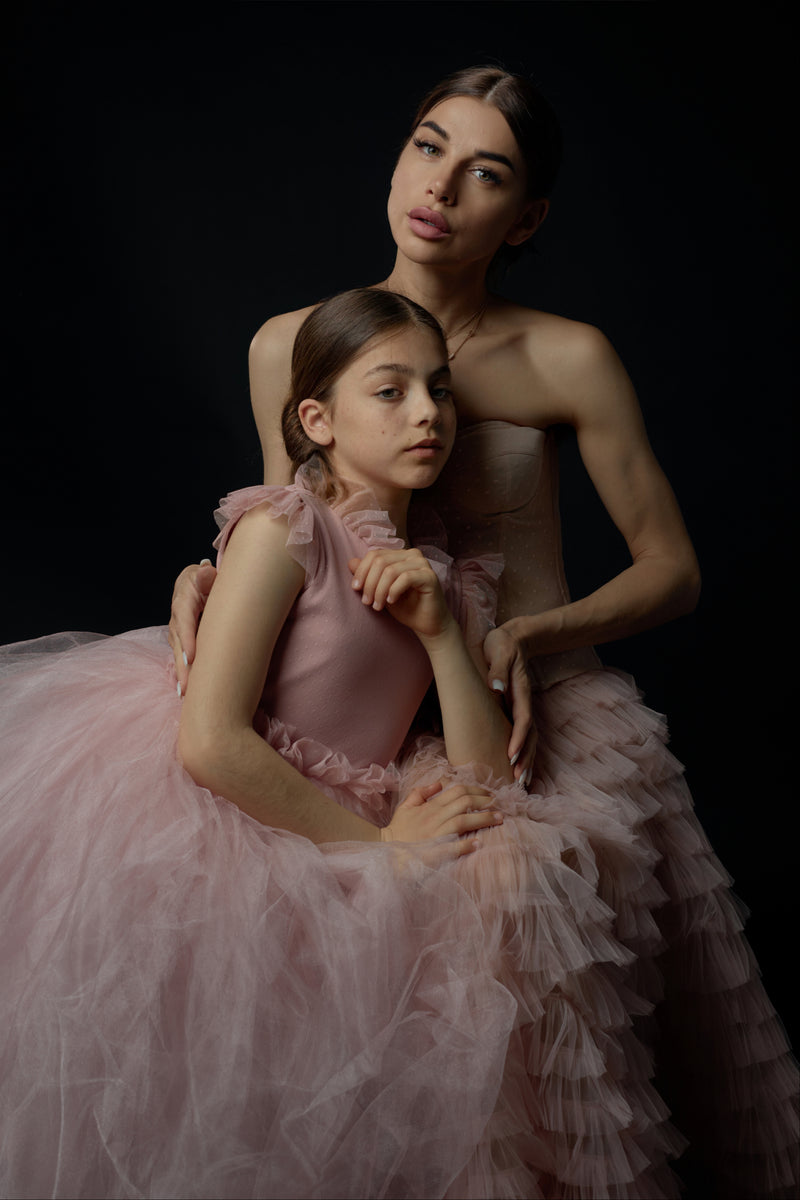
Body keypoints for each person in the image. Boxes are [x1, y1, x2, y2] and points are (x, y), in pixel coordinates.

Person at [168, 66, 799, 1198]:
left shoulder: (566, 356)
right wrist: (200, 578)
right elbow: (295, 520)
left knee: (512, 895)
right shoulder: (290, 343)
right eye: (425, 148)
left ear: (528, 216)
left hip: (525, 704)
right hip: (373, 708)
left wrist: (524, 634)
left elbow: (672, 568)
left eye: (486, 173)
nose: (441, 189)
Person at [1, 286, 691, 1200]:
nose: (428, 415)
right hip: (238, 810)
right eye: (391, 391)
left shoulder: (451, 577)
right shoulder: (287, 530)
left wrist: (444, 629)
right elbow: (209, 741)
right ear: (317, 420)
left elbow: (489, 770)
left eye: (441, 392)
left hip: (346, 810)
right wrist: (376, 851)